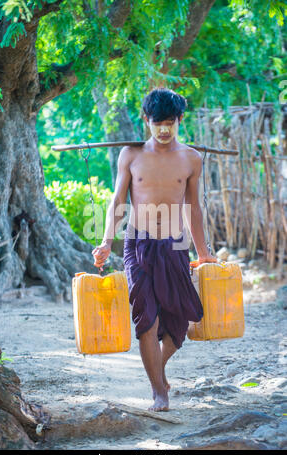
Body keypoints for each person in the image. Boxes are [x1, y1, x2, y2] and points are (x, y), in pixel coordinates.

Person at [92, 88, 217, 412]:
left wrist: (203, 252)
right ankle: (159, 391)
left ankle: (159, 371)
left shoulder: (191, 158)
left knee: (177, 323)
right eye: (157, 122)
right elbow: (117, 201)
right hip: (138, 243)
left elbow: (194, 208)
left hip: (176, 244)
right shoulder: (131, 155)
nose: (164, 130)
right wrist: (107, 241)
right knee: (145, 317)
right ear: (146, 120)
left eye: (170, 123)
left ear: (179, 121)